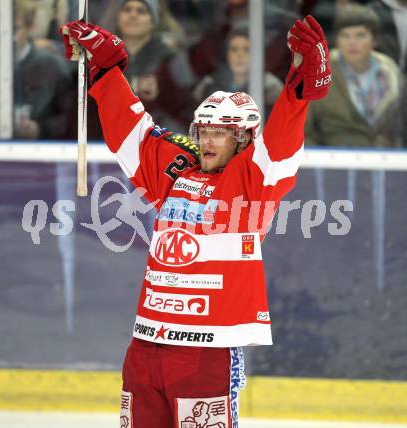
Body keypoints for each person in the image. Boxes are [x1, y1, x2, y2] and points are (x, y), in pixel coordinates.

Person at [60, 13, 331, 427]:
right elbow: (133, 134)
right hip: (146, 345)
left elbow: (278, 148)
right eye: (202, 130)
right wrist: (105, 68)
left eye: (219, 132)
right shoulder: (179, 173)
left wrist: (299, 87)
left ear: (243, 140)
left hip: (207, 353)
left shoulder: (251, 185)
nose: (206, 140)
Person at [0, 0, 72, 139]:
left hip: (41, 153)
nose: (9, 35)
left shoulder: (54, 68)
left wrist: (40, 129)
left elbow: (67, 119)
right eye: (5, 28)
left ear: (30, 28)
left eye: (16, 29)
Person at [305, 4, 403, 147]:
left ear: (374, 40)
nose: (352, 43)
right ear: (337, 40)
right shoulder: (317, 74)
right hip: (334, 162)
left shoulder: (391, 72)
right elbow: (303, 132)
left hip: (387, 162)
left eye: (360, 35)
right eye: (345, 36)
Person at [195, 25, 284, 121]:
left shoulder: (270, 87)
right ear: (227, 54)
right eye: (234, 49)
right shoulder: (209, 84)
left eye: (246, 49)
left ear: (257, 54)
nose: (239, 56)